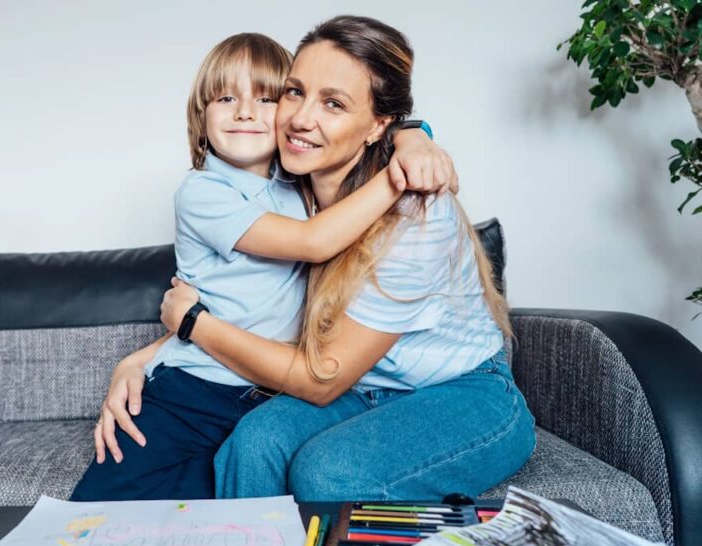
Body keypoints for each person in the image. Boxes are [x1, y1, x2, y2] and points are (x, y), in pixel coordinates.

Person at [158, 15, 536, 501]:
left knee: (326, 474)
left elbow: (319, 380)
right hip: (362, 388)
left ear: (378, 125)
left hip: (462, 391)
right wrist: (146, 360)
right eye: (295, 92)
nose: (301, 119)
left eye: (333, 104)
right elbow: (240, 294)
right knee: (250, 446)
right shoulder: (287, 186)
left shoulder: (416, 216)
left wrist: (194, 323)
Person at [70, 31, 456, 501]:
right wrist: (400, 177)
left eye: (266, 98)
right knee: (102, 513)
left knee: (212, 513)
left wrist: (414, 136)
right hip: (194, 389)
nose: (245, 112)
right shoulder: (203, 193)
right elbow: (313, 243)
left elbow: (370, 123)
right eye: (226, 98)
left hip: (266, 393)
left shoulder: (298, 185)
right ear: (201, 116)